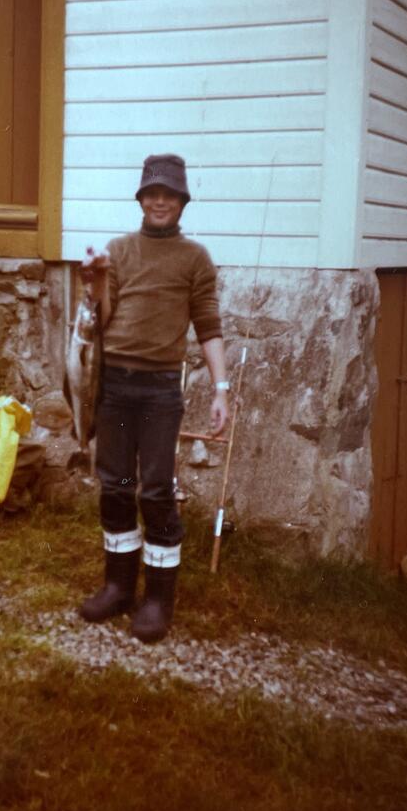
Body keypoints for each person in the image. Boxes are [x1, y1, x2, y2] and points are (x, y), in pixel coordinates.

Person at [78, 154, 229, 643]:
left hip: (161, 390)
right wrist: (95, 283)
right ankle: (119, 587)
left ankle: (159, 598)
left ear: (182, 202)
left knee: (157, 489)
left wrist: (221, 390)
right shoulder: (118, 250)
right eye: (152, 193)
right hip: (115, 386)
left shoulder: (195, 258)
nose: (160, 201)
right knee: (117, 484)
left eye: (169, 194)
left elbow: (208, 326)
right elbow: (101, 319)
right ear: (141, 199)